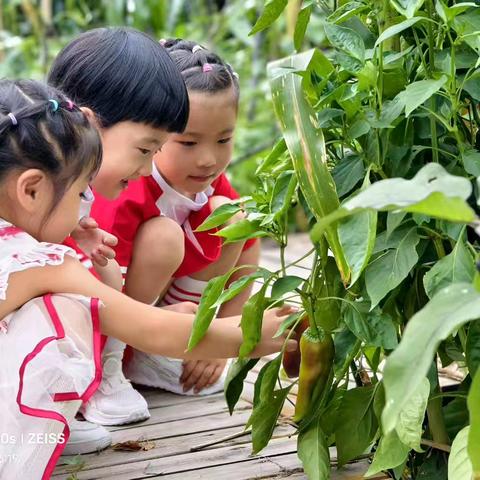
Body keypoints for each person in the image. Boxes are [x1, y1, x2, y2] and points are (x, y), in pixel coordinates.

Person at [0, 79, 295, 478]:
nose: (86, 207)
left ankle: (47, 428)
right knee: (68, 311)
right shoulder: (39, 263)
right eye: (79, 194)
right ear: (31, 190)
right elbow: (149, 327)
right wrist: (249, 334)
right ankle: (23, 446)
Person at [47, 27, 192, 448]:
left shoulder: (76, 190)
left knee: (104, 273)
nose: (148, 171)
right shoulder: (34, 181)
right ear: (90, 123)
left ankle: (91, 383)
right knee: (79, 288)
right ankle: (47, 411)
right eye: (145, 149)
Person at [92, 39, 259, 403]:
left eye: (224, 139)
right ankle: (113, 366)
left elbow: (247, 251)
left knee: (235, 219)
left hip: (165, 310)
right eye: (188, 143)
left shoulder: (212, 185)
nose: (208, 160)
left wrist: (219, 343)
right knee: (163, 235)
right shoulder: (128, 187)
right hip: (115, 319)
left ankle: (181, 345)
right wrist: (154, 326)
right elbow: (102, 288)